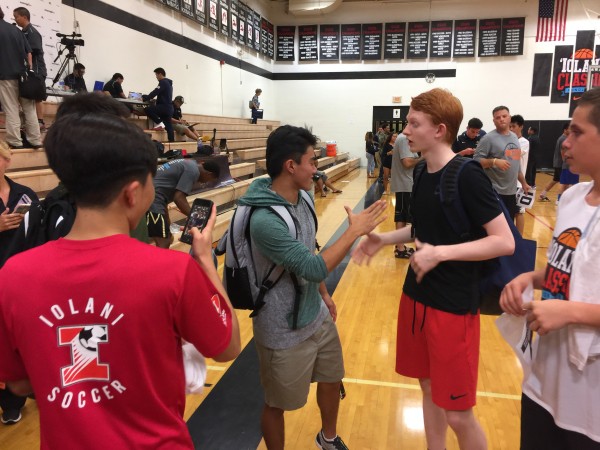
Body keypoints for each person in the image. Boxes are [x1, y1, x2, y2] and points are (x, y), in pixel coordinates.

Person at [0, 104, 241, 449]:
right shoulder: (173, 271)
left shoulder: (12, 276)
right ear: (132, 192)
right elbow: (228, 345)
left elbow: (20, 385)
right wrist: (204, 259)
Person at [353, 88, 515, 450]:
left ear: (439, 129)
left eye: (413, 123)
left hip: (453, 306)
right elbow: (423, 230)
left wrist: (440, 254)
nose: (405, 131)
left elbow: (504, 241)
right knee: (426, 387)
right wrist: (383, 239)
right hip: (416, 297)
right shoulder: (424, 170)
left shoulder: (469, 175)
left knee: (458, 412)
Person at [238, 125, 386, 450]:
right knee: (278, 404)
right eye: (312, 161)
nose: (317, 168)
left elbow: (309, 250)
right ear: (291, 166)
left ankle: (327, 439)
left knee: (332, 378)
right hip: (281, 328)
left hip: (315, 313)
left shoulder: (303, 197)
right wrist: (354, 231)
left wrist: (322, 293)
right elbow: (314, 266)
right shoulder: (265, 220)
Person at [500, 87, 600, 449]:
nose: (564, 142)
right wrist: (530, 276)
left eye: (576, 132)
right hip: (544, 380)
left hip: (590, 400)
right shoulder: (572, 197)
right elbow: (567, 272)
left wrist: (569, 311)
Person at [0, 141, 39, 425]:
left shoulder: (25, 194)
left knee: (19, 341)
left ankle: (14, 400)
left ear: (7, 160)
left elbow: (37, 234)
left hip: (20, 281)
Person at [147, 158, 219, 248]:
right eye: (209, 180)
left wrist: (167, 223)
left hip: (152, 197)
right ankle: (160, 261)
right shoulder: (193, 171)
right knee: (164, 242)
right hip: (152, 199)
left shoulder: (190, 163)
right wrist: (195, 218)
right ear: (209, 174)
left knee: (168, 237)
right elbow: (178, 198)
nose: (205, 182)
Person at [474, 105, 530, 222]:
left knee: (509, 224)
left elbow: (515, 164)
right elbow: (475, 161)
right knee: (495, 227)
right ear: (494, 121)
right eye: (498, 117)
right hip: (494, 192)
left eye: (504, 116)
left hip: (511, 191)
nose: (501, 119)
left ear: (509, 117)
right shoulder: (488, 138)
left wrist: (523, 183)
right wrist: (494, 161)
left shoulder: (514, 137)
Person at [0, 7, 42, 150]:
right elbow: (29, 52)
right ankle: (36, 139)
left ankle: (15, 141)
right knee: (29, 109)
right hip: (24, 76)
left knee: (11, 109)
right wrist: (28, 70)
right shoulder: (16, 30)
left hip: (6, 76)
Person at [13, 7, 47, 130]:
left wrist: (30, 67)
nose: (15, 19)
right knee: (27, 95)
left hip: (37, 70)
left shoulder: (32, 32)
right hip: (27, 70)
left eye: (16, 17)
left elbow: (33, 51)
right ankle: (29, 121)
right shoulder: (23, 32)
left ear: (24, 17)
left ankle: (40, 121)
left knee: (37, 96)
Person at [390, 132, 420, 258]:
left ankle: (400, 245)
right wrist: (425, 157)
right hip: (404, 184)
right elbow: (407, 163)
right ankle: (400, 249)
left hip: (408, 184)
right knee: (401, 216)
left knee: (404, 216)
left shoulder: (407, 139)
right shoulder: (403, 139)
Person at [509, 114, 530, 235]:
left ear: (521, 127)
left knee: (519, 212)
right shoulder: (508, 140)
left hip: (518, 183)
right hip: (507, 183)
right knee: (509, 212)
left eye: (514, 126)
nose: (511, 129)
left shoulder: (524, 142)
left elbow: (513, 154)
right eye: (510, 126)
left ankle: (520, 239)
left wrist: (497, 150)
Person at [539, 123, 570, 202]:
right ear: (565, 130)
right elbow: (563, 153)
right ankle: (559, 200)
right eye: (570, 129)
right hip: (561, 164)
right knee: (562, 182)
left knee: (555, 180)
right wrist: (566, 163)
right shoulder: (563, 139)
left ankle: (543, 194)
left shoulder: (563, 138)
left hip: (558, 163)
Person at [143, 67, 174, 141]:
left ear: (160, 74)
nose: (156, 77)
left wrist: (145, 98)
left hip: (164, 107)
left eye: (156, 75)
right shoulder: (169, 84)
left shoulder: (163, 82)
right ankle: (172, 143)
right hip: (169, 108)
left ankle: (160, 123)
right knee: (169, 126)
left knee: (148, 109)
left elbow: (155, 92)